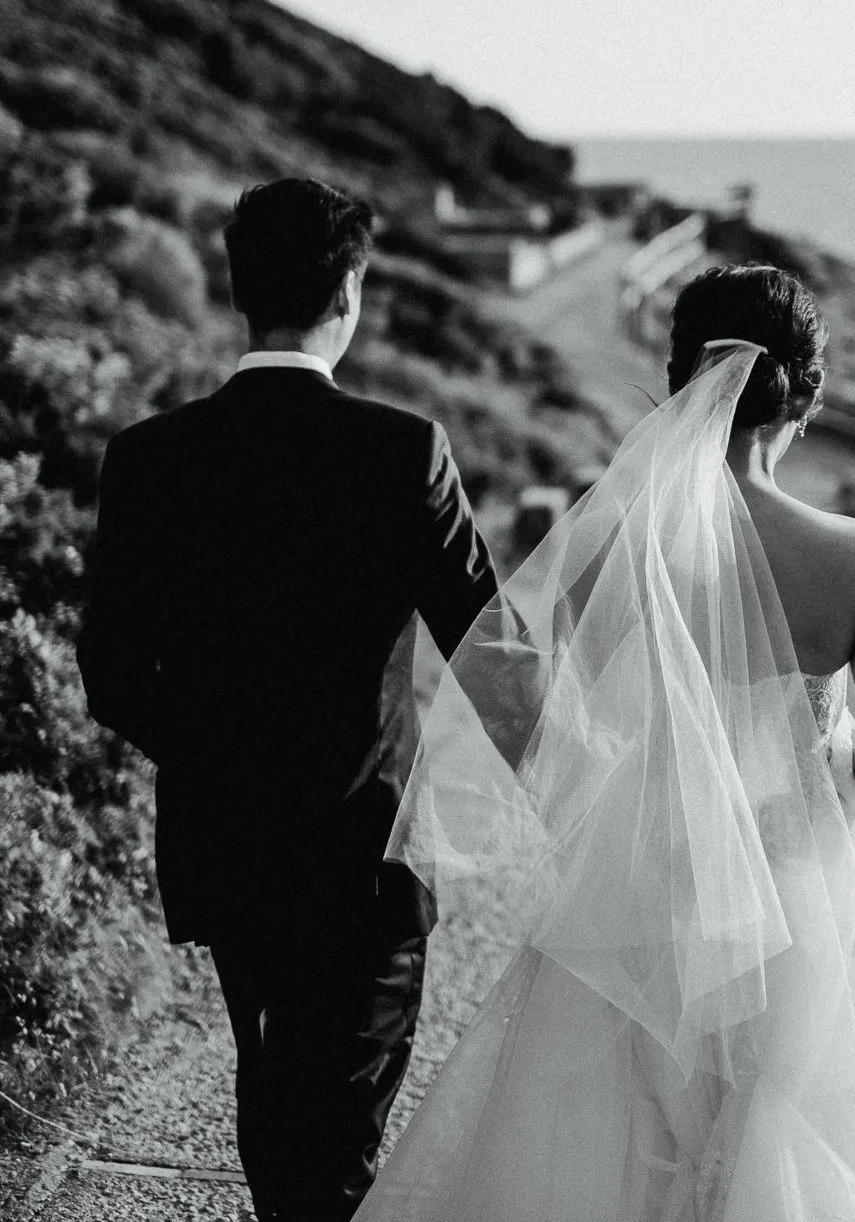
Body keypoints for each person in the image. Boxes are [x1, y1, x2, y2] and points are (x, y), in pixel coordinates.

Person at [359, 264, 855, 1221]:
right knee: (793, 1128)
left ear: (681, 382)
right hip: (806, 901)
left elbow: (511, 674)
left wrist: (597, 784)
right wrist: (828, 749)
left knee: (623, 1146)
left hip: (650, 888)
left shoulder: (611, 544)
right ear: (806, 395)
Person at [77, 177, 498, 1221]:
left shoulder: (149, 460)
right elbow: (495, 659)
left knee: (272, 1098)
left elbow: (111, 676)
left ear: (237, 291)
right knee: (335, 1142)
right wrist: (595, 786)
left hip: (228, 850)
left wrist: (225, 756)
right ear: (348, 292)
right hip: (368, 857)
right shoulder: (404, 451)